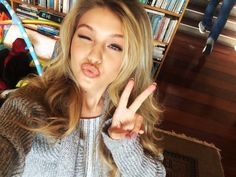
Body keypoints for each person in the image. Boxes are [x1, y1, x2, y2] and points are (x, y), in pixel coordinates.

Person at [0, 0, 166, 177]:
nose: (94, 55)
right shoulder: (29, 103)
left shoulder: (132, 114)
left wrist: (125, 146)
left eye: (114, 46)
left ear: (131, 58)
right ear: (70, 40)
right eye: (85, 37)